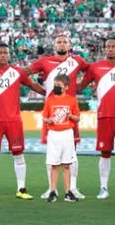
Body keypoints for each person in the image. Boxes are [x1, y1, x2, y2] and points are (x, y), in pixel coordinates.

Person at [0, 43, 45, 200]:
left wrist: (49, 94)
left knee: (18, 154)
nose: (3, 55)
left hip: (14, 120)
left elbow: (33, 85)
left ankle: (22, 189)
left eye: (5, 52)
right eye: (0, 52)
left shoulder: (17, 72)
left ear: (9, 55)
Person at [26, 34, 89, 200]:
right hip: (52, 111)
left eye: (64, 41)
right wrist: (40, 90)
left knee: (72, 153)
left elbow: (92, 71)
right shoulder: (45, 61)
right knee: (52, 155)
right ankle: (51, 188)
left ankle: (73, 188)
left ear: (69, 45)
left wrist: (81, 86)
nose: (62, 44)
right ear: (54, 45)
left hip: (69, 112)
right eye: (58, 42)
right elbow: (25, 73)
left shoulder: (78, 60)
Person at [78, 37, 115, 200]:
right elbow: (81, 86)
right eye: (107, 47)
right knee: (105, 152)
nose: (110, 49)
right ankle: (103, 188)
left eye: (113, 47)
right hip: (104, 115)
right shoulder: (95, 68)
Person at [41, 74, 80, 203]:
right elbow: (44, 117)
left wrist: (70, 115)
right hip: (53, 134)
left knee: (66, 165)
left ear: (66, 87)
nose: (56, 87)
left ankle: (68, 192)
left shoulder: (72, 100)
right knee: (54, 164)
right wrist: (49, 120)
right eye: (55, 85)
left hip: (67, 134)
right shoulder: (50, 100)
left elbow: (77, 118)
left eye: (59, 85)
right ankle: (53, 191)